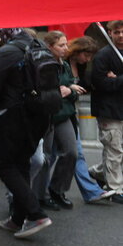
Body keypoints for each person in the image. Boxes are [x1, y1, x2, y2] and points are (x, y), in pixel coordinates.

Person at [0, 28, 53, 238]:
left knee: (3, 164)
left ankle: (36, 214)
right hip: (40, 114)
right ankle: (17, 219)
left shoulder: (7, 52)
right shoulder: (39, 47)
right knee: (21, 163)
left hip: (13, 114)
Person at [35, 31, 88, 210]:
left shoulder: (64, 65)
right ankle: (41, 196)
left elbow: (72, 91)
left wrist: (69, 90)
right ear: (50, 47)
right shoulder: (42, 64)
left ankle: (57, 189)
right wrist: (61, 91)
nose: (66, 48)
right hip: (48, 115)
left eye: (66, 44)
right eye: (61, 45)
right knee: (46, 157)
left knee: (71, 152)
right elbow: (43, 91)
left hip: (64, 114)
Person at [63, 37, 116, 204]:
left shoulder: (80, 65)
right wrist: (69, 87)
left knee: (75, 153)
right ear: (78, 51)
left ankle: (90, 191)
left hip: (70, 111)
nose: (88, 59)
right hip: (57, 112)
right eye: (87, 55)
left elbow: (85, 84)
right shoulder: (61, 62)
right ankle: (49, 190)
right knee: (51, 157)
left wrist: (106, 77)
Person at [90, 20, 123, 203]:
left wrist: (117, 78)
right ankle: (115, 189)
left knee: (119, 151)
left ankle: (98, 173)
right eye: (117, 32)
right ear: (109, 33)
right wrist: (118, 80)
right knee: (114, 149)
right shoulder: (103, 56)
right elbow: (101, 83)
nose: (120, 36)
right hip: (109, 110)